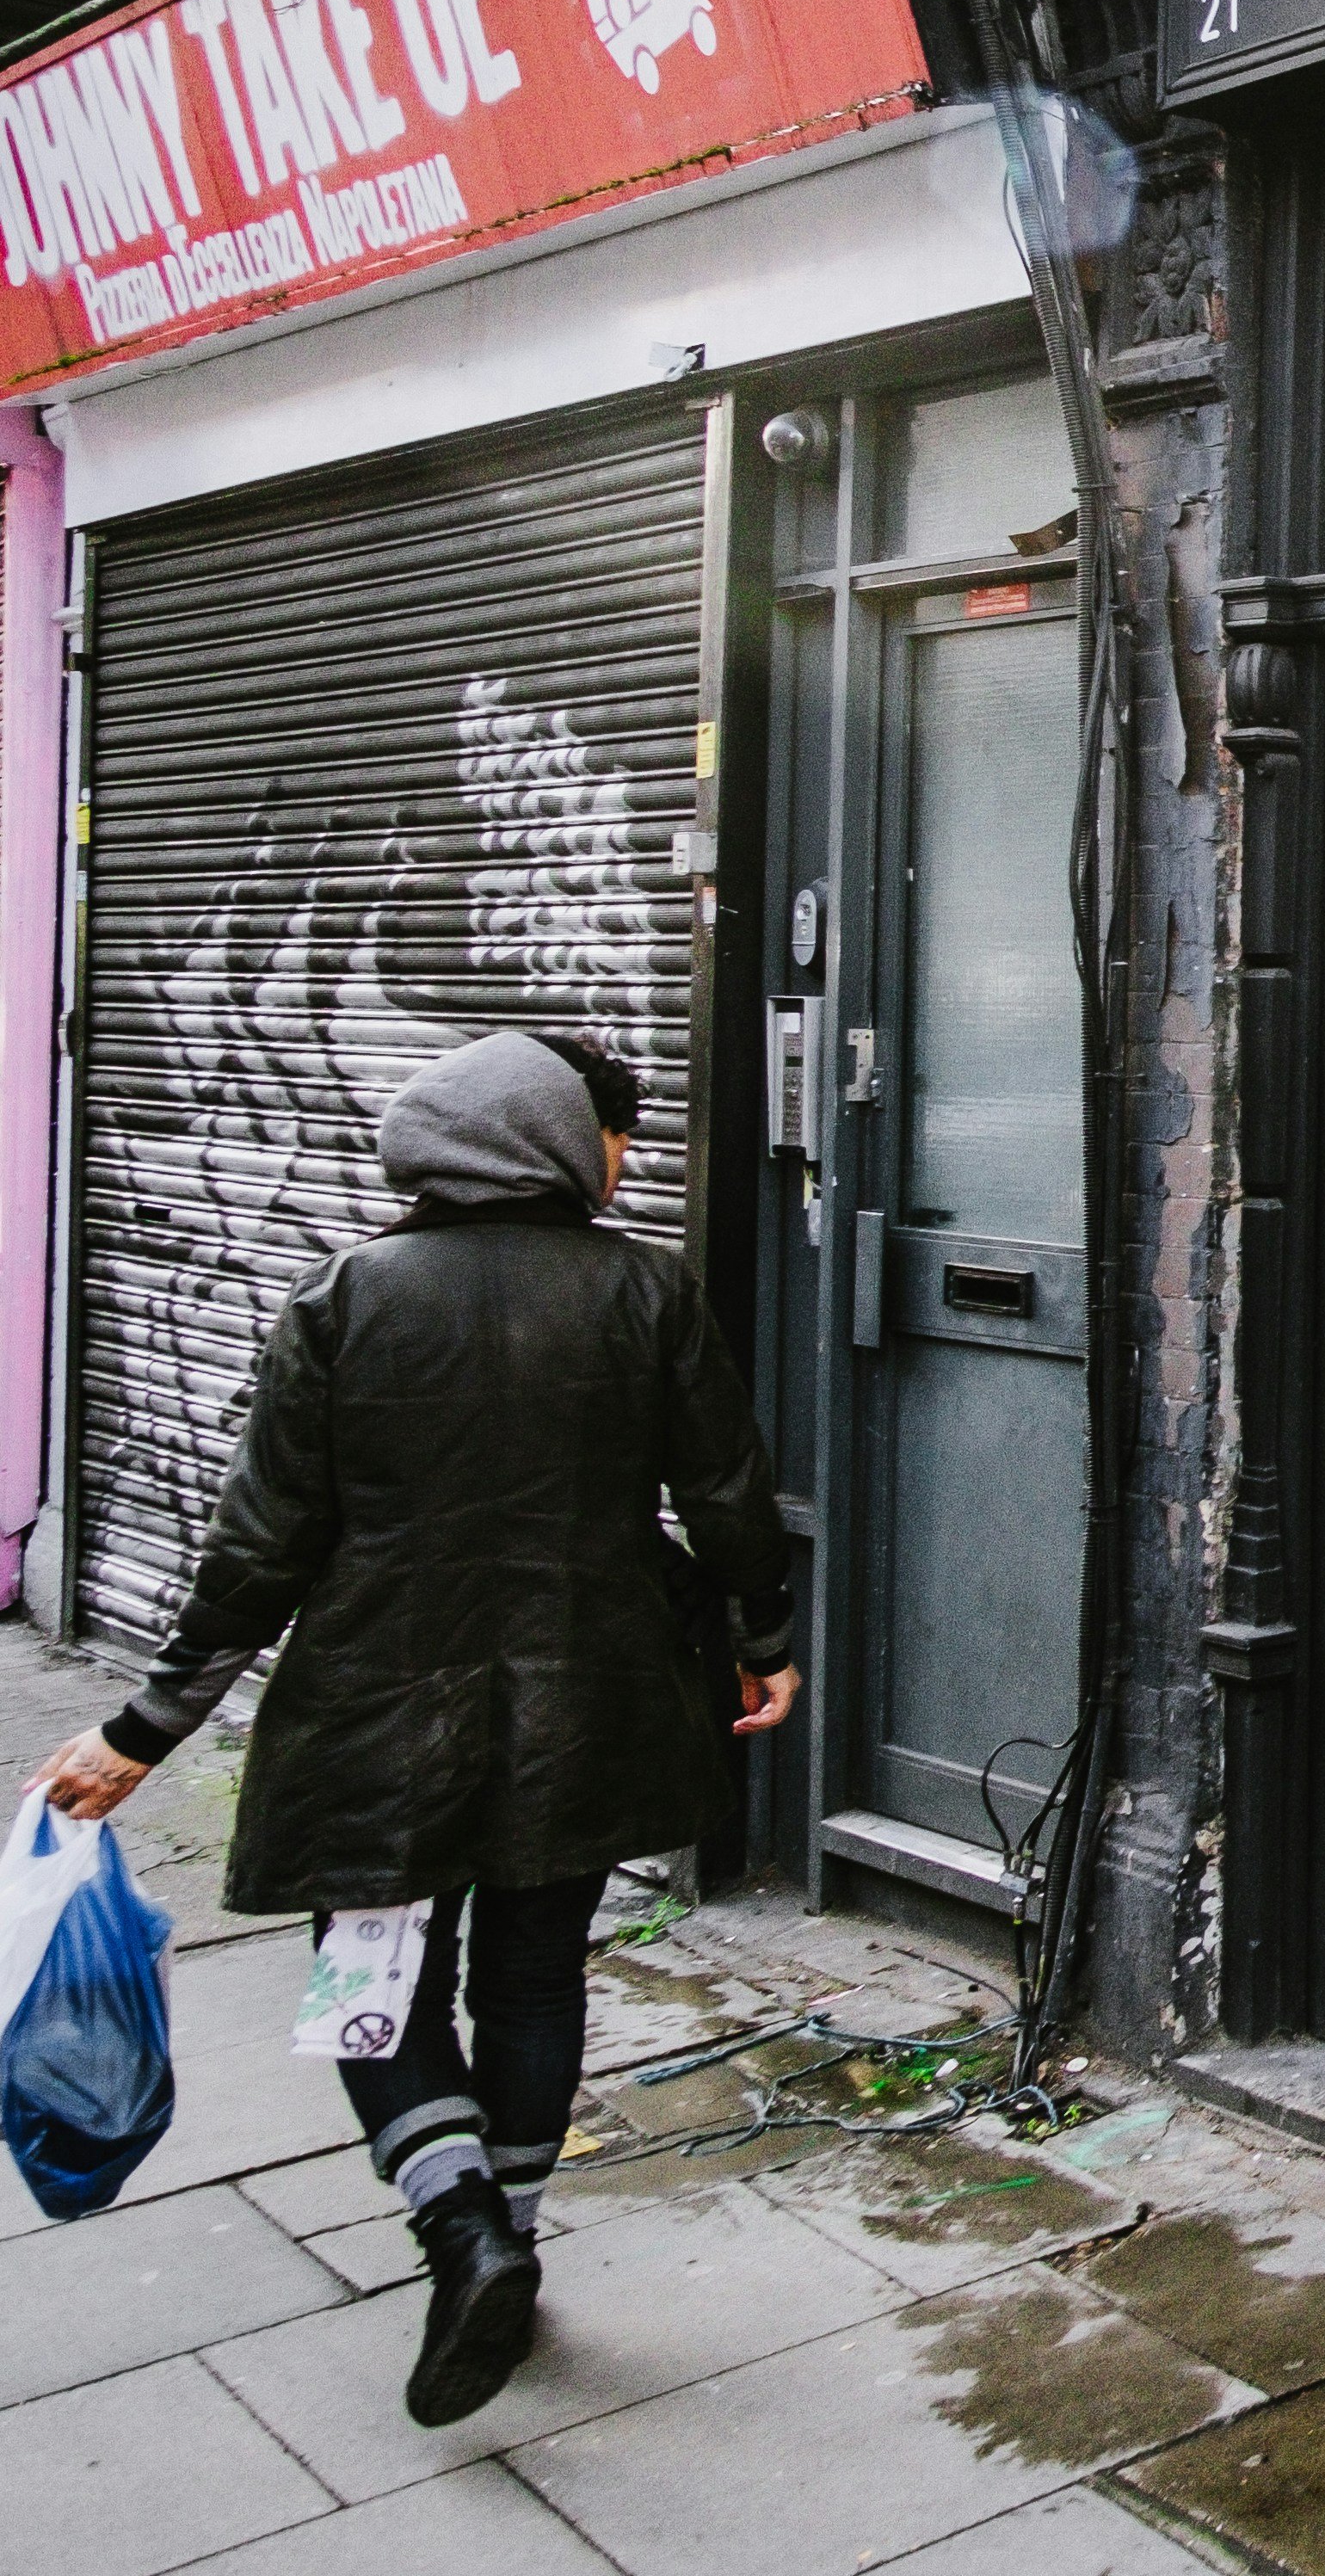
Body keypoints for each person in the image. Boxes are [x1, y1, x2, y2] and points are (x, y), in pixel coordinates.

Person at [28, 1029, 795, 2429]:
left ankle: (461, 2232)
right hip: (591, 1696)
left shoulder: (344, 1297)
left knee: (370, 1978)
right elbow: (727, 1491)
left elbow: (261, 1542)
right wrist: (764, 1642)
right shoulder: (646, 1292)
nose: (623, 1157)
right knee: (533, 1977)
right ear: (547, 1140)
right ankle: (510, 2237)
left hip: (379, 1711)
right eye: (611, 1132)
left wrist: (147, 1725)